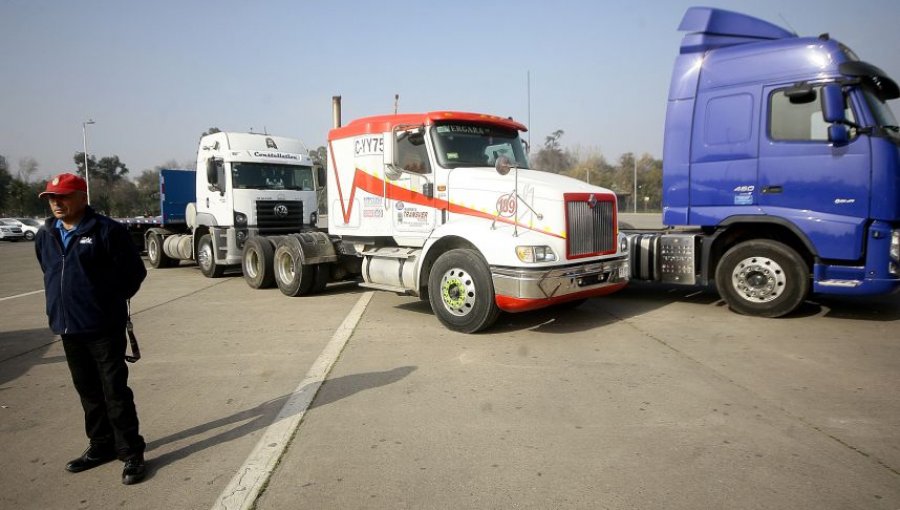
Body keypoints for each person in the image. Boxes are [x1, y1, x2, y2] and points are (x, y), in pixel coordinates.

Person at [34, 173, 148, 485]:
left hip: (102, 327)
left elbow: (133, 274)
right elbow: (49, 270)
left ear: (82, 197)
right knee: (88, 391)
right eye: (51, 198)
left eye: (64, 196)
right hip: (68, 327)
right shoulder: (46, 234)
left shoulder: (107, 231)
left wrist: (105, 301)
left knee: (114, 392)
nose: (57, 203)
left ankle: (131, 453)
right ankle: (101, 445)